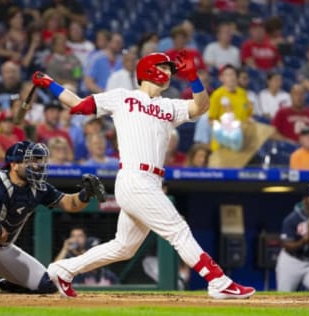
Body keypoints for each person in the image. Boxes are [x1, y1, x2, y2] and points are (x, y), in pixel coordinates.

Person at [31, 51, 255, 299]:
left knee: (123, 247)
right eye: (165, 67)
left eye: (171, 69)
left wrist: (194, 78)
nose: (170, 72)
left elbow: (201, 107)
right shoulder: (122, 97)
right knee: (178, 230)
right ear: (150, 69)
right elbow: (79, 105)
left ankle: (62, 270)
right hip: (134, 177)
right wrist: (49, 83)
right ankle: (217, 280)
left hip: (151, 181)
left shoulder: (168, 105)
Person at [0, 141, 106, 293]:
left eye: (37, 160)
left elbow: (69, 204)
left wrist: (85, 194)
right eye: (30, 160)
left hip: (2, 247)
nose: (37, 165)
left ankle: (12, 284)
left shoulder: (38, 188)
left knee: (48, 285)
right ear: (14, 164)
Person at [54, 226, 118, 285]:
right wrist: (65, 249)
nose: (76, 239)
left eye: (80, 236)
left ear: (85, 238)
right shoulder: (69, 257)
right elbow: (54, 271)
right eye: (73, 236)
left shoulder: (107, 274)